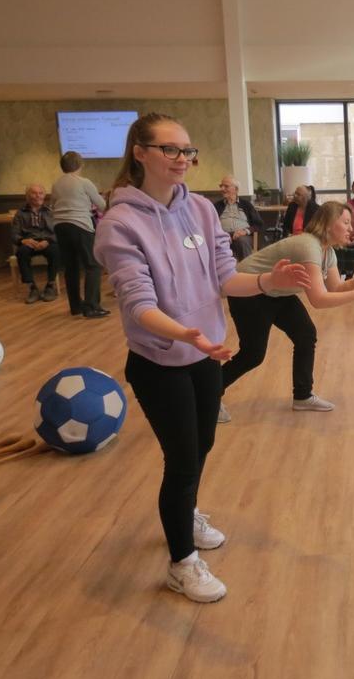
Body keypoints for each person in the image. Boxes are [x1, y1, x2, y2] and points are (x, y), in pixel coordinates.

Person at [93, 112, 310, 604]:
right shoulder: (119, 224)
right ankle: (181, 563)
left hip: (205, 354)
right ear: (140, 153)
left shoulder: (203, 211)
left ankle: (185, 511)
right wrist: (186, 335)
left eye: (187, 151)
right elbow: (140, 305)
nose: (182, 159)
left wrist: (266, 283)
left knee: (204, 445)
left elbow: (223, 277)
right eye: (170, 149)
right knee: (183, 460)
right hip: (159, 362)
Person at [220, 201, 354, 420]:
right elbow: (319, 299)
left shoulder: (328, 253)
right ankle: (208, 395)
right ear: (327, 224)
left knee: (306, 335)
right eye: (345, 222)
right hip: (250, 292)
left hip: (277, 292)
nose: (350, 229)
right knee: (252, 355)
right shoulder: (308, 246)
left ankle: (303, 396)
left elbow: (335, 287)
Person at [52, 150, 109, 318]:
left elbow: (53, 204)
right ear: (80, 165)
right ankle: (92, 307)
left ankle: (76, 306)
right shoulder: (84, 182)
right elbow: (101, 205)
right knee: (93, 265)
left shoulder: (56, 184)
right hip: (80, 225)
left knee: (71, 267)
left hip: (60, 227)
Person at [11, 182, 60, 304]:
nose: (38, 196)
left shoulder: (51, 211)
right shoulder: (20, 213)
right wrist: (23, 240)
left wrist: (48, 241)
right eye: (34, 193)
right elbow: (14, 234)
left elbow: (58, 231)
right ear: (28, 196)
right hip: (29, 242)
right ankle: (32, 288)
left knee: (56, 251)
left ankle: (50, 286)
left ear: (44, 196)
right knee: (21, 253)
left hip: (48, 241)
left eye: (41, 193)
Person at [214, 175, 263, 261]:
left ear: (236, 189)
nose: (222, 189)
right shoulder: (216, 206)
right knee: (217, 243)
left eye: (226, 186)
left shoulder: (246, 204)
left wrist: (245, 231)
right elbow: (211, 225)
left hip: (243, 237)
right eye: (221, 186)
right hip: (224, 237)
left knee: (242, 241)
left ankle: (246, 270)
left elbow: (259, 224)